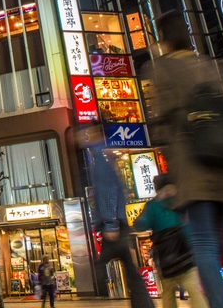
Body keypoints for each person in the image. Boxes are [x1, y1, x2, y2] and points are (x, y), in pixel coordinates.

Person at [148, 10, 223, 308]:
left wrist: (170, 177)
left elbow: (163, 122)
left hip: (195, 170)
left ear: (163, 38)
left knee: (204, 246)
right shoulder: (212, 66)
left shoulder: (162, 69)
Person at [79, 124, 153, 308]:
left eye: (82, 134)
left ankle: (141, 304)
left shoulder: (99, 163)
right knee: (128, 268)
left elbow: (108, 194)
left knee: (107, 264)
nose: (78, 137)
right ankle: (143, 305)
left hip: (113, 224)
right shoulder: (100, 161)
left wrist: (111, 225)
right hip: (116, 223)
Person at [133, 174, 208, 308]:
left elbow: (140, 224)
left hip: (166, 257)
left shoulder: (153, 206)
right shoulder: (176, 202)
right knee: (193, 289)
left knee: (169, 291)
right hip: (183, 255)